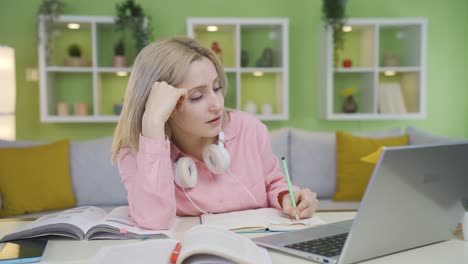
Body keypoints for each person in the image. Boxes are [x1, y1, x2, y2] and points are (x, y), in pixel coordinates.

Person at [111, 36, 318, 230]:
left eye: (217, 88)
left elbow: (274, 183)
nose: (217, 105)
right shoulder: (135, 150)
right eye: (198, 96)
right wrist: (153, 123)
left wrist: (289, 197)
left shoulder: (250, 130)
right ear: (164, 104)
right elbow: (153, 221)